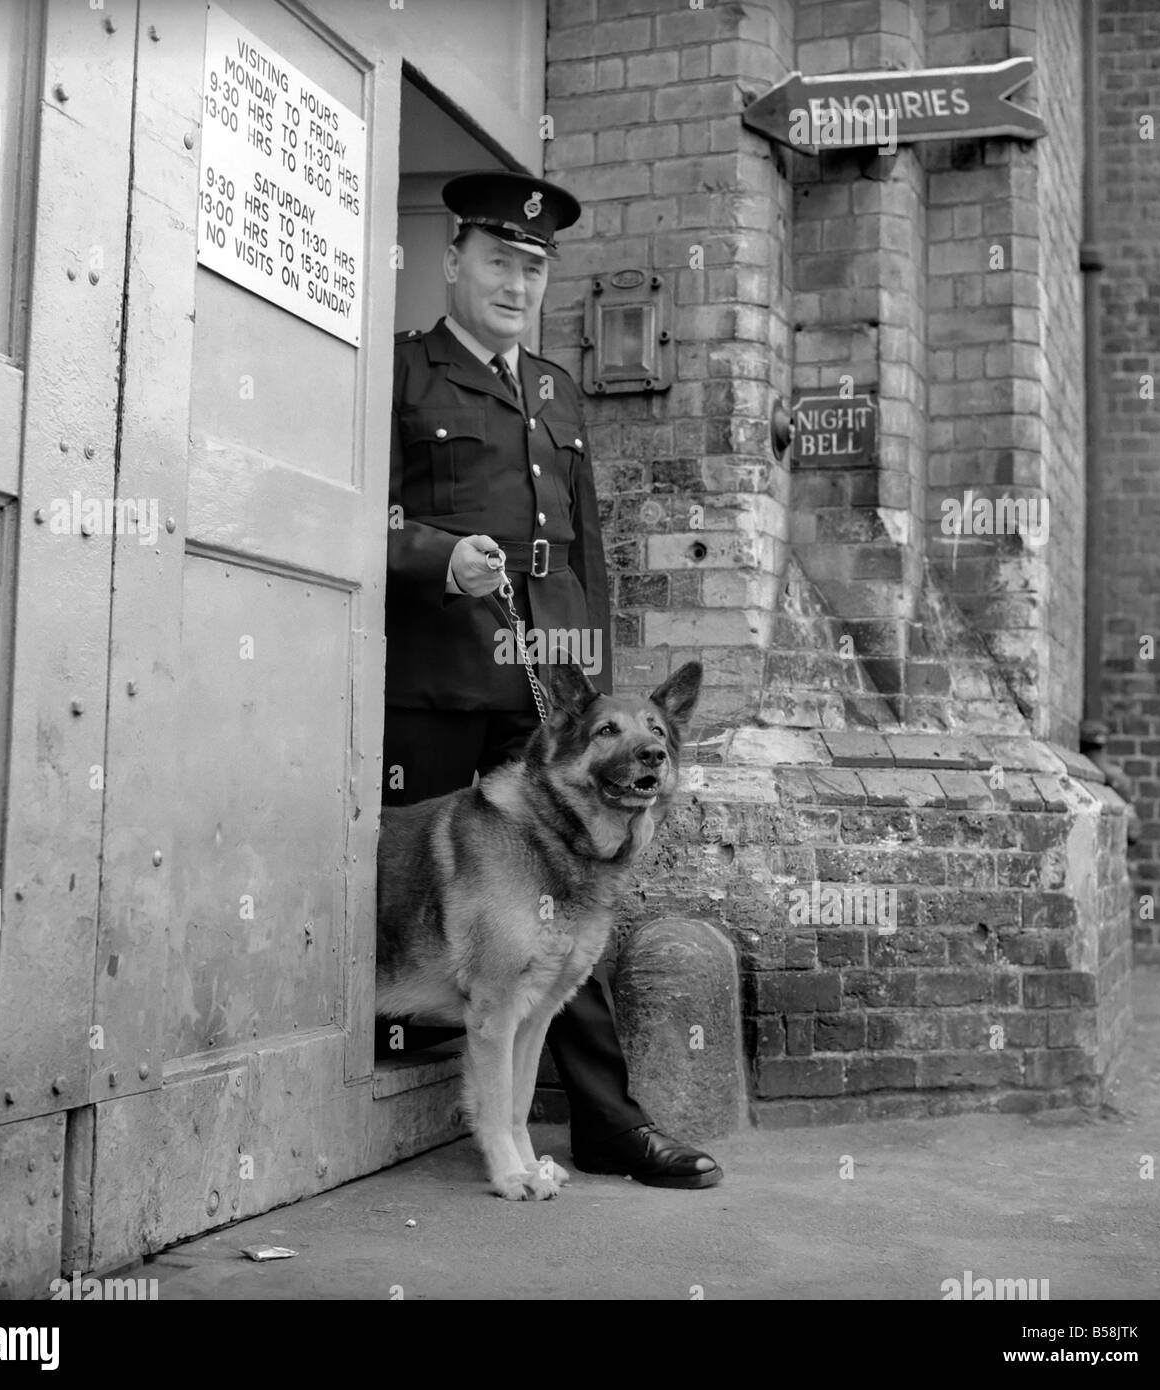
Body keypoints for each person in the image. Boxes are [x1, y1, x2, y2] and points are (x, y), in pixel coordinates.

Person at [380, 170, 722, 1190]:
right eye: (498, 261)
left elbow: (588, 560)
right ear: (451, 261)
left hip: (553, 704)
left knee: (566, 911)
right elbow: (368, 515)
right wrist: (436, 556)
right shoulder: (403, 375)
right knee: (416, 899)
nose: (515, 284)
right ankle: (416, 1088)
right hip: (442, 684)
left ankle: (607, 1123)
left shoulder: (555, 393)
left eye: (532, 269)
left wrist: (604, 702)